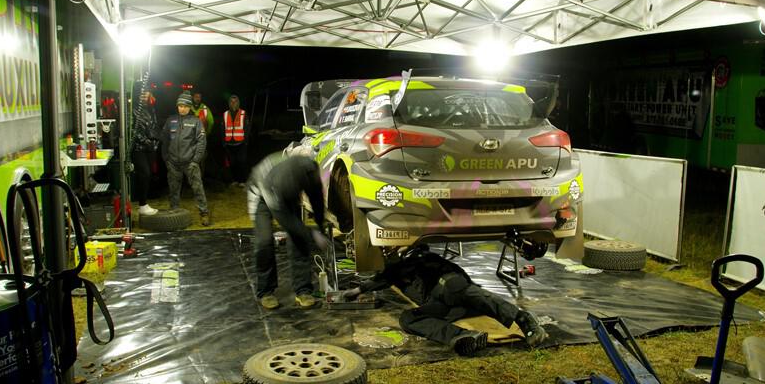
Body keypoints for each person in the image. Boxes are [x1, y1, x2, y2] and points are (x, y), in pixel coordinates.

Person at [342, 246, 546, 355]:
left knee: (456, 288)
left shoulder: (420, 258)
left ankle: (523, 320)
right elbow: (382, 278)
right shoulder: (396, 269)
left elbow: (382, 277)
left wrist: (357, 290)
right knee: (408, 318)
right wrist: (359, 290)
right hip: (448, 305)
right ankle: (464, 336)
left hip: (450, 291)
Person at [247, 152, 329, 310]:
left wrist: (321, 226)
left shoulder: (309, 170)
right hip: (261, 194)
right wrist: (312, 234)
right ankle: (265, 291)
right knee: (264, 241)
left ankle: (303, 290)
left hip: (287, 193)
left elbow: (316, 198)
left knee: (299, 240)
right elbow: (287, 222)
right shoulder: (276, 183)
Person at [161, 92, 211, 226]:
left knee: (198, 188)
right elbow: (164, 140)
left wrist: (196, 160)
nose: (182, 108)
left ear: (189, 107)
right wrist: (166, 158)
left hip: (190, 163)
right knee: (173, 190)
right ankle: (175, 214)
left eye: (185, 106)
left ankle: (204, 213)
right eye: (180, 106)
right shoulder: (170, 120)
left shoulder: (196, 121)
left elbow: (202, 141)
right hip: (173, 163)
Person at [130, 84, 159, 216]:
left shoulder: (151, 109)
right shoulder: (132, 109)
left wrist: (155, 141)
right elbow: (132, 130)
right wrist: (145, 142)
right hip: (138, 148)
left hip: (150, 147)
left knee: (148, 175)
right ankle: (142, 204)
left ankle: (144, 203)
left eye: (147, 92)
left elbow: (154, 126)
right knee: (144, 173)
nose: (145, 94)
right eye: (142, 92)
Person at [222, 93, 249, 187]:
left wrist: (246, 142)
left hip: (241, 143)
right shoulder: (225, 114)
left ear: (238, 103)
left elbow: (247, 128)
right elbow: (222, 130)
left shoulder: (243, 113)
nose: (233, 103)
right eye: (232, 102)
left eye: (235, 101)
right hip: (229, 144)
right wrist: (223, 142)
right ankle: (234, 180)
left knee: (241, 162)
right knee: (232, 163)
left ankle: (242, 181)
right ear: (229, 103)